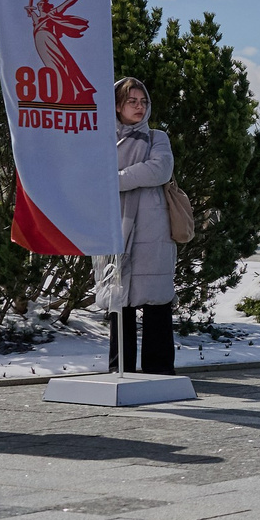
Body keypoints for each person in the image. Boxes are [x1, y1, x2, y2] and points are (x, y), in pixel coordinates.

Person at [104, 77, 178, 376]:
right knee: (119, 303)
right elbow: (94, 173)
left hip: (152, 231)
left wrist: (116, 179)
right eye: (131, 101)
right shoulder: (103, 138)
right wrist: (126, 177)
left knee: (157, 302)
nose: (139, 106)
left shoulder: (157, 138)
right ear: (118, 105)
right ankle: (119, 368)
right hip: (115, 227)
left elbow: (159, 170)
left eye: (143, 101)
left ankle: (159, 371)